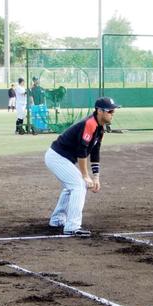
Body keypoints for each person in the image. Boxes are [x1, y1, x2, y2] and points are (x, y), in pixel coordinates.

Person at [45, 97, 120, 236]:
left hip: (61, 158)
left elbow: (95, 152)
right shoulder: (90, 124)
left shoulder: (100, 128)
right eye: (110, 110)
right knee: (78, 185)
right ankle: (72, 227)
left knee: (72, 186)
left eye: (113, 111)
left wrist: (96, 177)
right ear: (99, 111)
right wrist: (85, 176)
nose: (112, 113)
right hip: (57, 157)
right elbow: (82, 152)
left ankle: (57, 220)